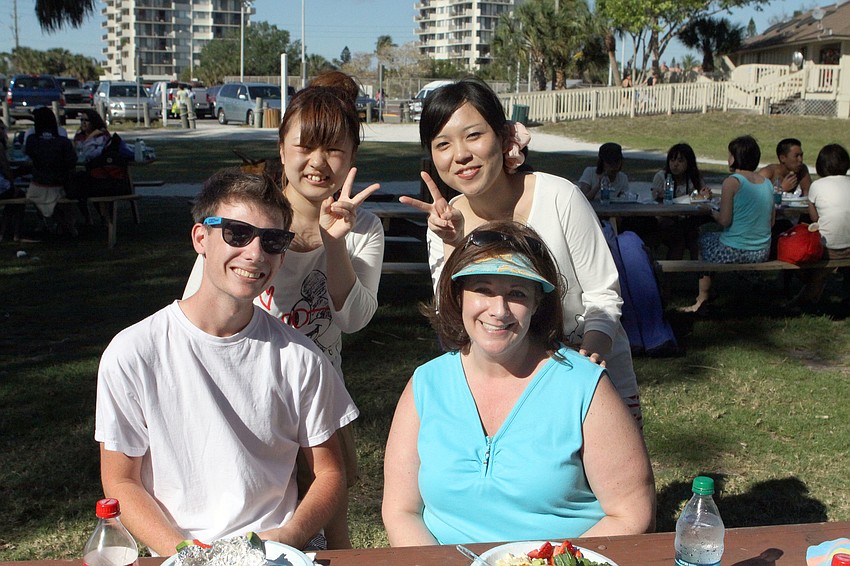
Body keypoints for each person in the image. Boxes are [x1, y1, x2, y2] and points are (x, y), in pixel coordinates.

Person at [96, 169, 358, 556]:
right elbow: (120, 482)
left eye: (272, 241)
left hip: (275, 551)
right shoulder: (133, 352)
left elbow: (330, 473)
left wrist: (289, 536)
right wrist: (186, 554)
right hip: (177, 551)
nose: (255, 253)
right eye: (237, 233)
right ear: (201, 238)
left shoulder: (300, 357)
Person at [183, 70, 384, 548]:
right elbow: (199, 311)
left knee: (329, 534)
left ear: (353, 156)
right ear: (282, 149)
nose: (319, 163)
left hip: (319, 406)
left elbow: (353, 319)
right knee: (252, 525)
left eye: (334, 149)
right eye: (304, 147)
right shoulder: (248, 222)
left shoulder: (365, 227)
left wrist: (336, 244)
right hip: (243, 401)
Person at [382, 221, 656, 546]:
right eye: (483, 290)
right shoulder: (426, 384)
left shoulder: (585, 387)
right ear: (458, 296)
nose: (499, 311)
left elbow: (632, 513)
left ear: (538, 303)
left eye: (516, 293)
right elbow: (402, 511)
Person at [399, 78, 642, 426]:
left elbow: (603, 293)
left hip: (591, 375)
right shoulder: (444, 221)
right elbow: (452, 323)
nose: (461, 154)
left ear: (502, 137)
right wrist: (453, 243)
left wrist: (587, 359)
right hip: (508, 391)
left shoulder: (559, 197)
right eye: (443, 144)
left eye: (473, 135)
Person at [683, 135, 775, 312]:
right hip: (762, 250)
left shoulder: (732, 182)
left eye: (729, 154)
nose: (727, 158)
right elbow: (770, 222)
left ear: (736, 157)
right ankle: (728, 285)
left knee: (702, 241)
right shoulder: (767, 184)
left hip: (736, 250)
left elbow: (725, 221)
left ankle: (702, 298)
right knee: (712, 239)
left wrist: (710, 211)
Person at [795, 143, 850, 306]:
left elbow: (814, 217)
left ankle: (808, 297)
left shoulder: (817, 186)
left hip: (830, 248)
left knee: (812, 258)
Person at [651, 143, 712, 259]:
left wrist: (704, 196)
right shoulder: (661, 177)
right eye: (672, 160)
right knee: (678, 241)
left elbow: (703, 198)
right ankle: (670, 274)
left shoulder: (694, 178)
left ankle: (699, 273)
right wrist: (694, 198)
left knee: (695, 240)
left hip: (690, 221)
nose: (675, 164)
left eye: (680, 161)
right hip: (666, 222)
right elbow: (655, 199)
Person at [24, 106, 77, 235]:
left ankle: (49, 221)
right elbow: (72, 162)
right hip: (58, 186)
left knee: (32, 191)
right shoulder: (63, 142)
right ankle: (66, 223)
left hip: (37, 187)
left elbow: (27, 157)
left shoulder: (32, 140)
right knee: (65, 195)